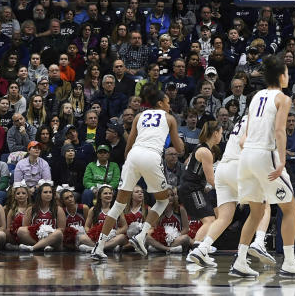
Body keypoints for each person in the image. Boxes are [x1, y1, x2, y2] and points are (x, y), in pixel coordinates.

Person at [234, 56, 295, 278]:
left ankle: (240, 261)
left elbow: (243, 137)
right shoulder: (282, 98)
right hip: (264, 155)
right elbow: (280, 131)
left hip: (247, 155)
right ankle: (289, 262)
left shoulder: (256, 96)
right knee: (291, 209)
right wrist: (280, 161)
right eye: (287, 72)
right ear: (281, 76)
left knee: (256, 211)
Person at [91, 88, 184, 260]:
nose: (169, 105)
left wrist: (129, 161)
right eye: (167, 102)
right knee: (163, 200)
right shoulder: (170, 118)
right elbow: (179, 149)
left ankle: (99, 246)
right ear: (160, 103)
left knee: (118, 204)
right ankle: (141, 236)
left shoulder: (139, 116)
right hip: (151, 156)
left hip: (134, 155)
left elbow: (129, 142)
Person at [186, 108, 274, 269]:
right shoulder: (259, 120)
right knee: (264, 205)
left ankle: (202, 249)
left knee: (224, 217)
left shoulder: (242, 120)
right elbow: (244, 144)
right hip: (238, 167)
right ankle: (259, 242)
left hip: (222, 169)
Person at [177, 120, 222, 245]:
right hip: (192, 188)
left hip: (193, 187)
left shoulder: (200, 147)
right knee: (209, 220)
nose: (221, 136)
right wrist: (226, 190)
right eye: (221, 133)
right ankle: (197, 249)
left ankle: (202, 248)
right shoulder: (205, 151)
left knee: (212, 218)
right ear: (215, 133)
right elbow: (211, 180)